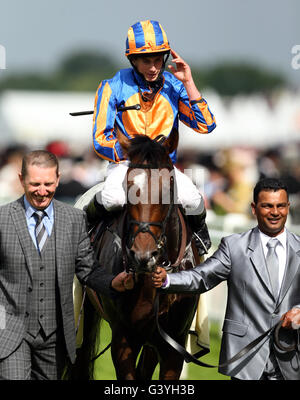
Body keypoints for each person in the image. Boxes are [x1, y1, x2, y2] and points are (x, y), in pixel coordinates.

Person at [88, 20, 216, 254]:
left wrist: (188, 81)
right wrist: (137, 155)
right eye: (146, 60)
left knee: (193, 200)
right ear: (133, 60)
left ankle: (197, 246)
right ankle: (85, 236)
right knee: (113, 198)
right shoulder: (111, 86)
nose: (154, 67)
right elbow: (100, 139)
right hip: (126, 165)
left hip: (163, 167)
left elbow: (206, 125)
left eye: (158, 59)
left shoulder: (175, 87)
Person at [152, 178, 300, 380]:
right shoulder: (233, 246)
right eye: (267, 206)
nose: (275, 212)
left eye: (280, 206)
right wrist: (167, 280)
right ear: (254, 209)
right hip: (245, 361)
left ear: (288, 207)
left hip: (291, 359)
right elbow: (202, 277)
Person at [0, 150, 129, 380]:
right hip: (10, 336)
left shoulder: (75, 219)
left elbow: (87, 269)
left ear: (58, 178)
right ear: (21, 180)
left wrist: (112, 283)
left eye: (48, 183)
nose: (42, 191)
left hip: (56, 338)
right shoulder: (2, 220)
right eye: (35, 184)